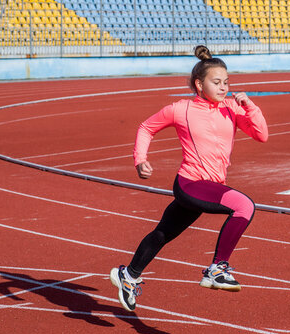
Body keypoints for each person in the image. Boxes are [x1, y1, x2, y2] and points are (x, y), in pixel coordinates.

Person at [110, 45, 268, 312]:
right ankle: (217, 268)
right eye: (216, 82)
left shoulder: (232, 108)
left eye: (226, 82)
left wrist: (250, 107)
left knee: (162, 234)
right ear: (199, 84)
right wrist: (140, 159)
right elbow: (146, 127)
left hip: (208, 187)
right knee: (244, 206)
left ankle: (129, 275)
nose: (223, 87)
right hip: (189, 184)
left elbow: (261, 135)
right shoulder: (180, 109)